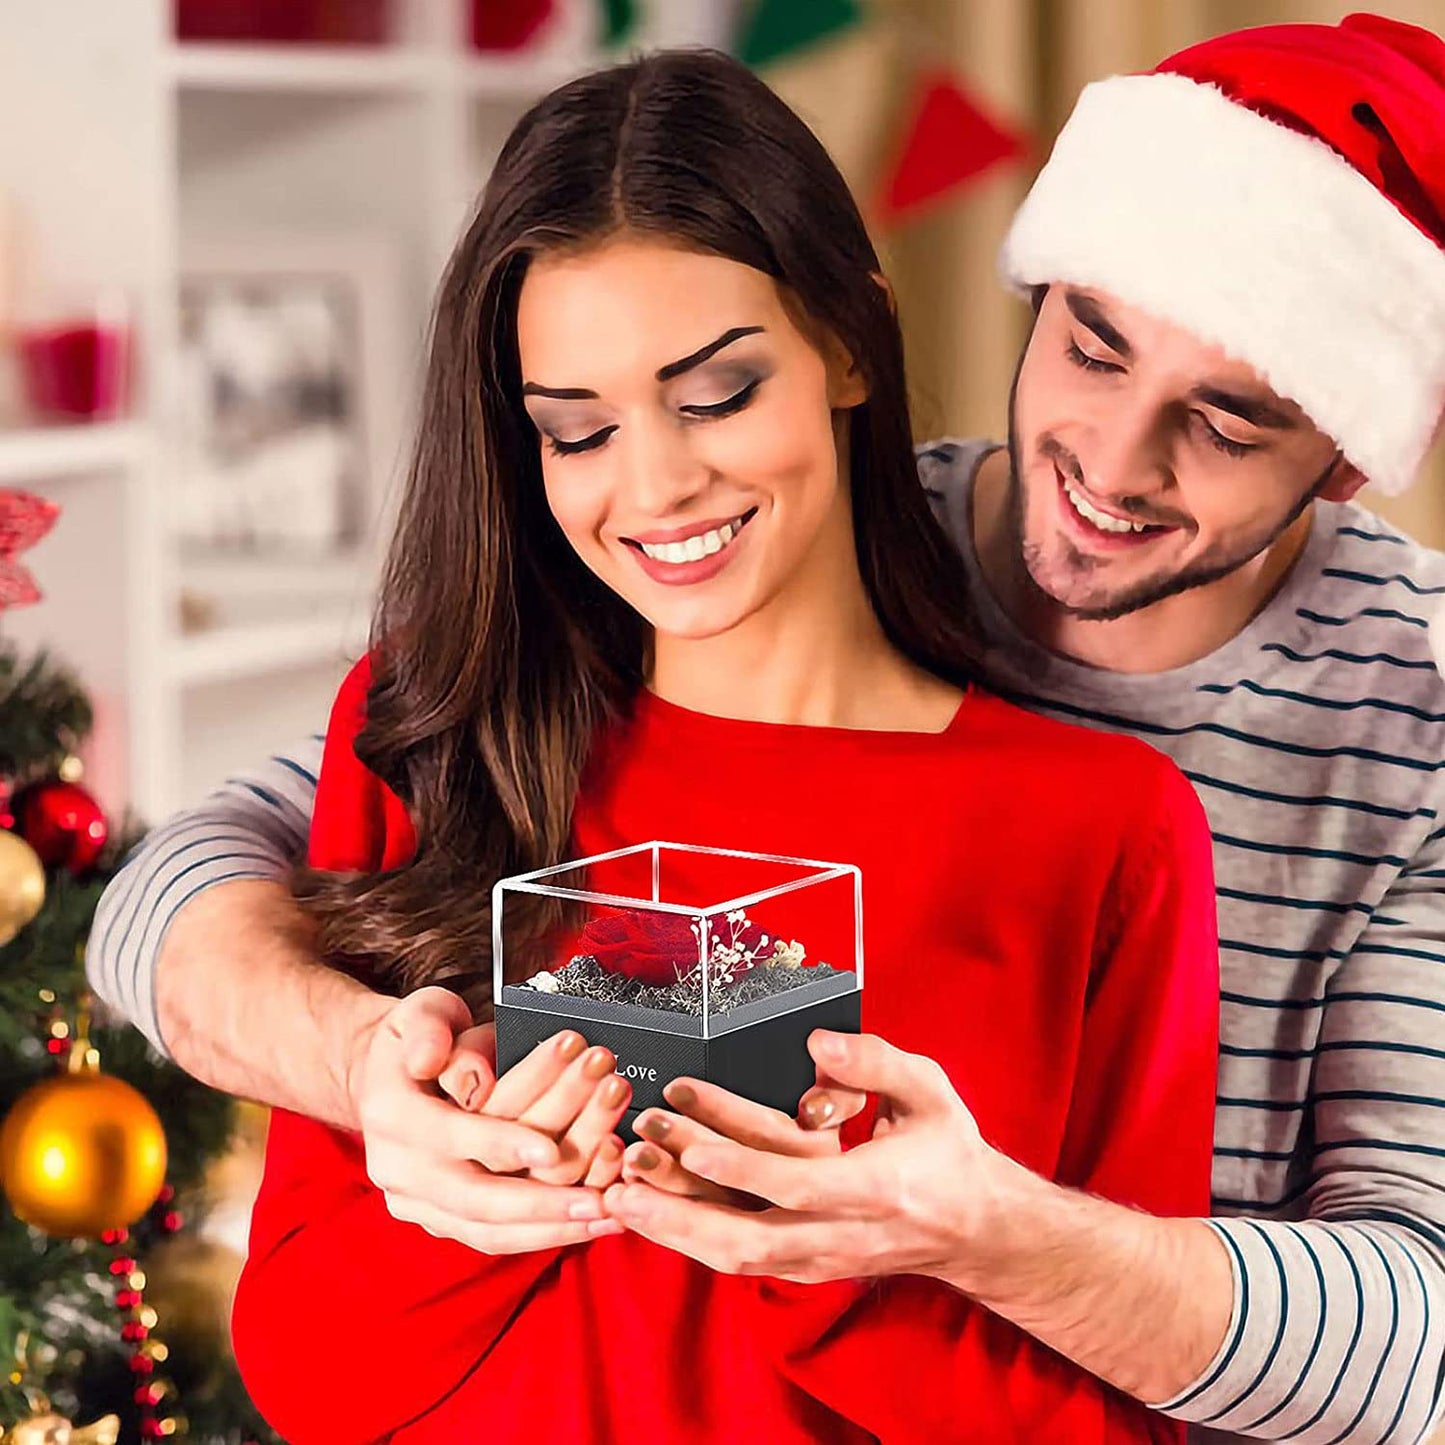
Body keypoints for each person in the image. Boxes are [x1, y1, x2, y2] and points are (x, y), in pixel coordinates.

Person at [86, 11, 1445, 1444]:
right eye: (576, 427)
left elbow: (1400, 1339)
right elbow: (175, 905)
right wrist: (388, 1087)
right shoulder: (447, 724)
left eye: (1225, 425)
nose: (660, 488)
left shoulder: (1140, 814)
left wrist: (912, 1238)